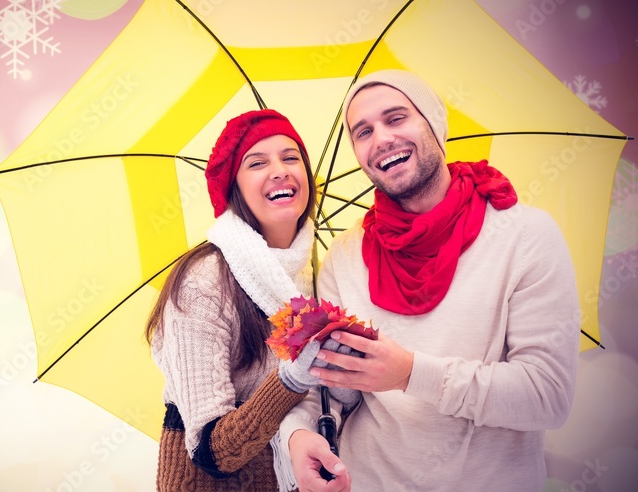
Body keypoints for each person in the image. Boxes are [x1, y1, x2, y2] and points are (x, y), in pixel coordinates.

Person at [280, 69, 580, 491]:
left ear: (435, 125)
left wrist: (410, 374)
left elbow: (547, 396)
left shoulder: (525, 235)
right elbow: (325, 385)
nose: (381, 138)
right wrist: (298, 434)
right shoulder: (343, 258)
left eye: (397, 118)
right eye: (362, 131)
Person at [145, 109, 349, 491]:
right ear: (234, 189)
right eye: (257, 163)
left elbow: (326, 396)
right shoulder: (204, 281)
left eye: (291, 158)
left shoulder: (318, 275)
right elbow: (211, 451)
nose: (280, 170)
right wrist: (291, 378)